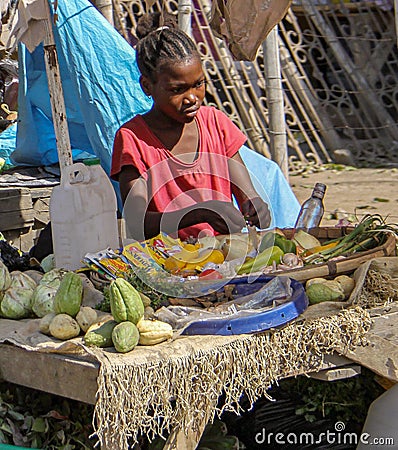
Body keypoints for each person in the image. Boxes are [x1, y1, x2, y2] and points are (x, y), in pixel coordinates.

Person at [111, 12, 271, 242]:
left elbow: (247, 194)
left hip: (223, 256)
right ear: (147, 86)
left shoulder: (215, 123)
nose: (192, 98)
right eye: (177, 90)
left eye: (198, 85)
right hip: (169, 264)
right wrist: (198, 214)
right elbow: (137, 222)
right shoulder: (133, 139)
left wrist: (255, 206)